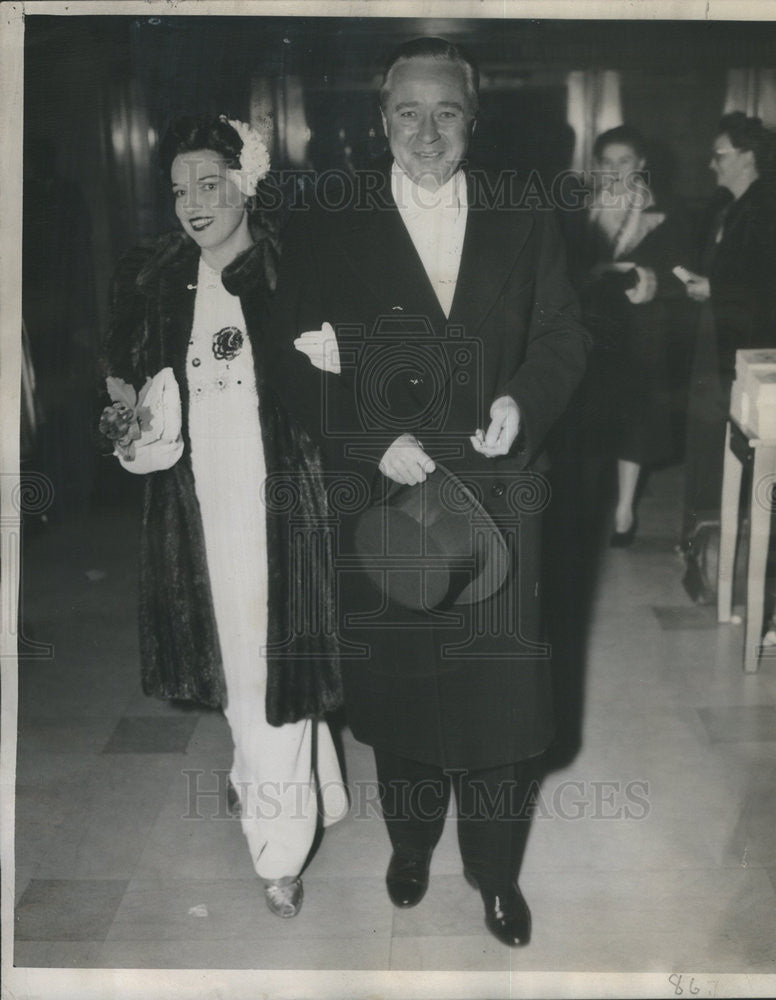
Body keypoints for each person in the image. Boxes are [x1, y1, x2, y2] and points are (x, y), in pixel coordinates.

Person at [273, 38, 590, 947]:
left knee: (499, 702)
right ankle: (410, 845)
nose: (425, 130)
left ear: (473, 120)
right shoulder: (330, 223)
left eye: (445, 111)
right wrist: (375, 439)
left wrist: (521, 403)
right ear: (381, 122)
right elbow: (295, 367)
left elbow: (565, 334)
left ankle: (493, 876)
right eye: (406, 112)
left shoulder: (524, 212)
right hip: (388, 494)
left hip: (502, 487)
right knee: (403, 691)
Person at [100, 114, 347, 918]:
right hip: (201, 499)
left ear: (246, 181)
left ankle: (279, 852)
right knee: (242, 663)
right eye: (179, 191)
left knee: (274, 659)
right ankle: (303, 796)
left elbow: (336, 383)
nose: (194, 204)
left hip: (283, 497)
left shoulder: (288, 270)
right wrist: (131, 422)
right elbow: (137, 398)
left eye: (210, 184)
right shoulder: (159, 282)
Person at [564, 125, 694, 545]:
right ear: (597, 166)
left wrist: (653, 279)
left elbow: (682, 275)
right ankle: (586, 508)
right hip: (592, 325)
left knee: (634, 422)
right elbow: (566, 265)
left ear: (640, 165)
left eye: (625, 162)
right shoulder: (581, 209)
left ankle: (623, 512)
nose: (616, 170)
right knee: (591, 419)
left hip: (642, 329)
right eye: (607, 162)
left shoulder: (666, 211)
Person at [675, 112, 776, 601]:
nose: (712, 163)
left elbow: (773, 289)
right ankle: (706, 545)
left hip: (750, 351)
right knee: (708, 440)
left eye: (720, 154)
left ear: (747, 156)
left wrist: (713, 288)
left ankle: (730, 558)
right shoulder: (728, 205)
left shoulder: (769, 209)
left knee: (738, 449)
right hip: (717, 337)